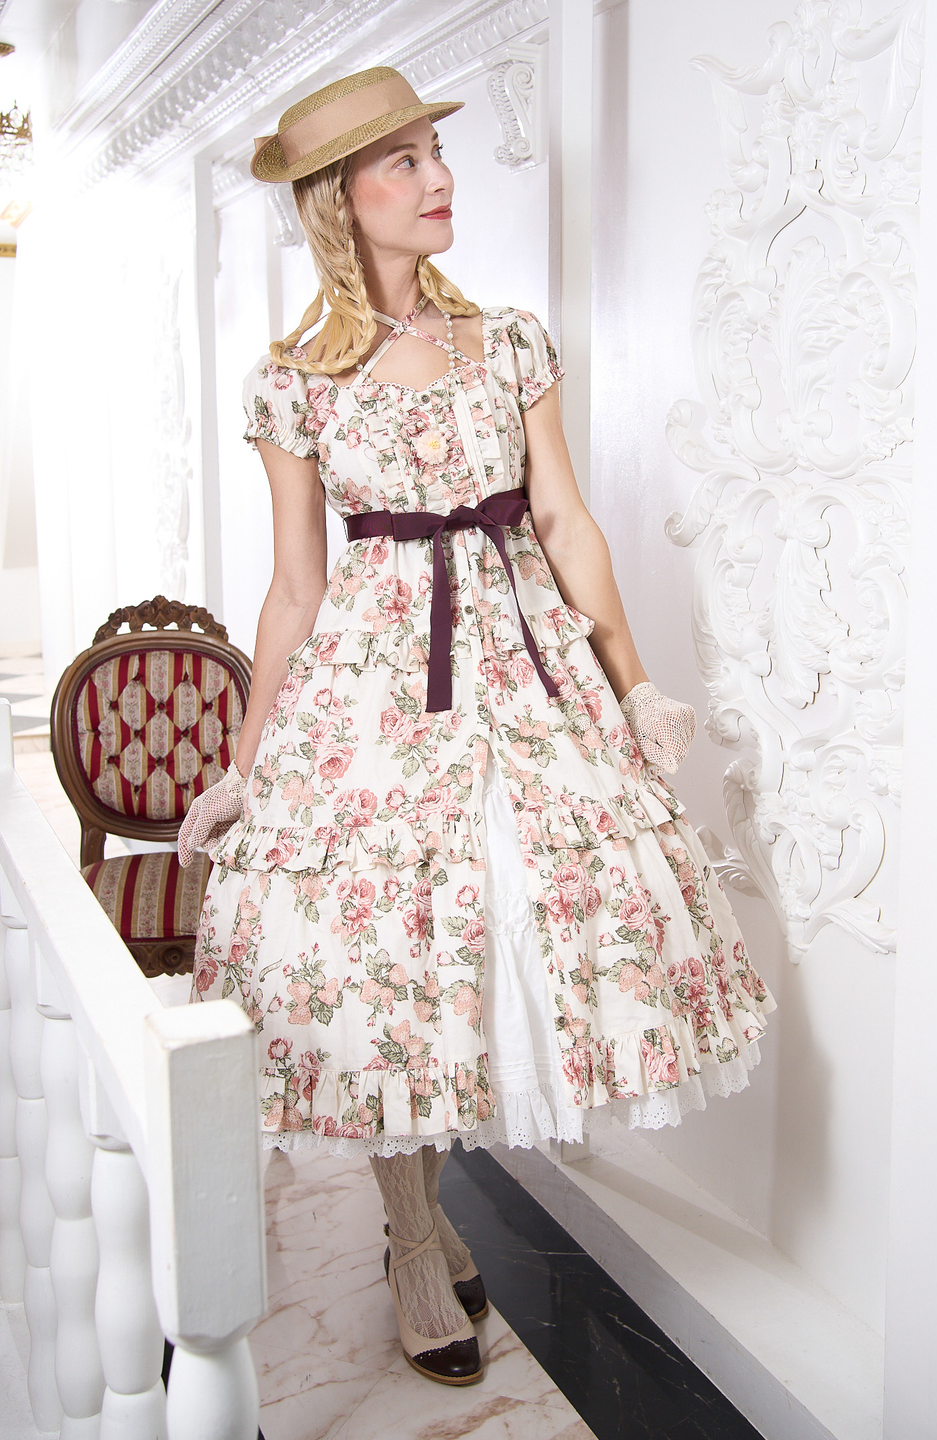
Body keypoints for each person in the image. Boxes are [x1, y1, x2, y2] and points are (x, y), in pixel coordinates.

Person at [178, 65, 775, 1387]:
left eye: (433, 152)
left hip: (520, 669)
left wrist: (632, 684)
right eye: (401, 161)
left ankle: (430, 1212)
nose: (439, 178)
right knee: (386, 953)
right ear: (339, 200)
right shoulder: (294, 383)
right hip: (374, 689)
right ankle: (409, 1234)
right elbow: (295, 588)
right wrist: (250, 759)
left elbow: (561, 518)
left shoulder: (508, 342)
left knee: (521, 927)